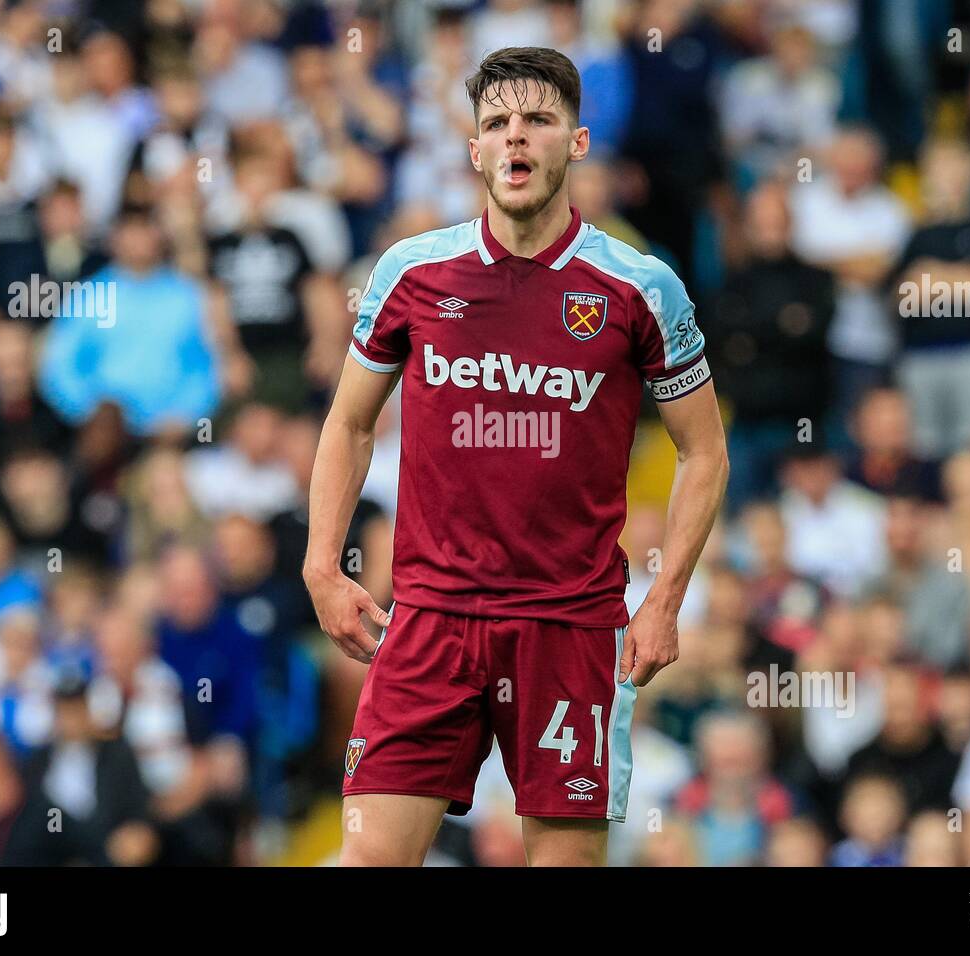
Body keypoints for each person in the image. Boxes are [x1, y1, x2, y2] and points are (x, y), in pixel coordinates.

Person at [304, 47, 727, 867]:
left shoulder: (639, 286)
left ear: (576, 141)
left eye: (537, 119)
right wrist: (323, 564)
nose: (515, 138)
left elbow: (704, 451)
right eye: (496, 123)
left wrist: (666, 597)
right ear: (474, 151)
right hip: (429, 619)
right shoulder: (413, 272)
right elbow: (350, 424)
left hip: (569, 625)